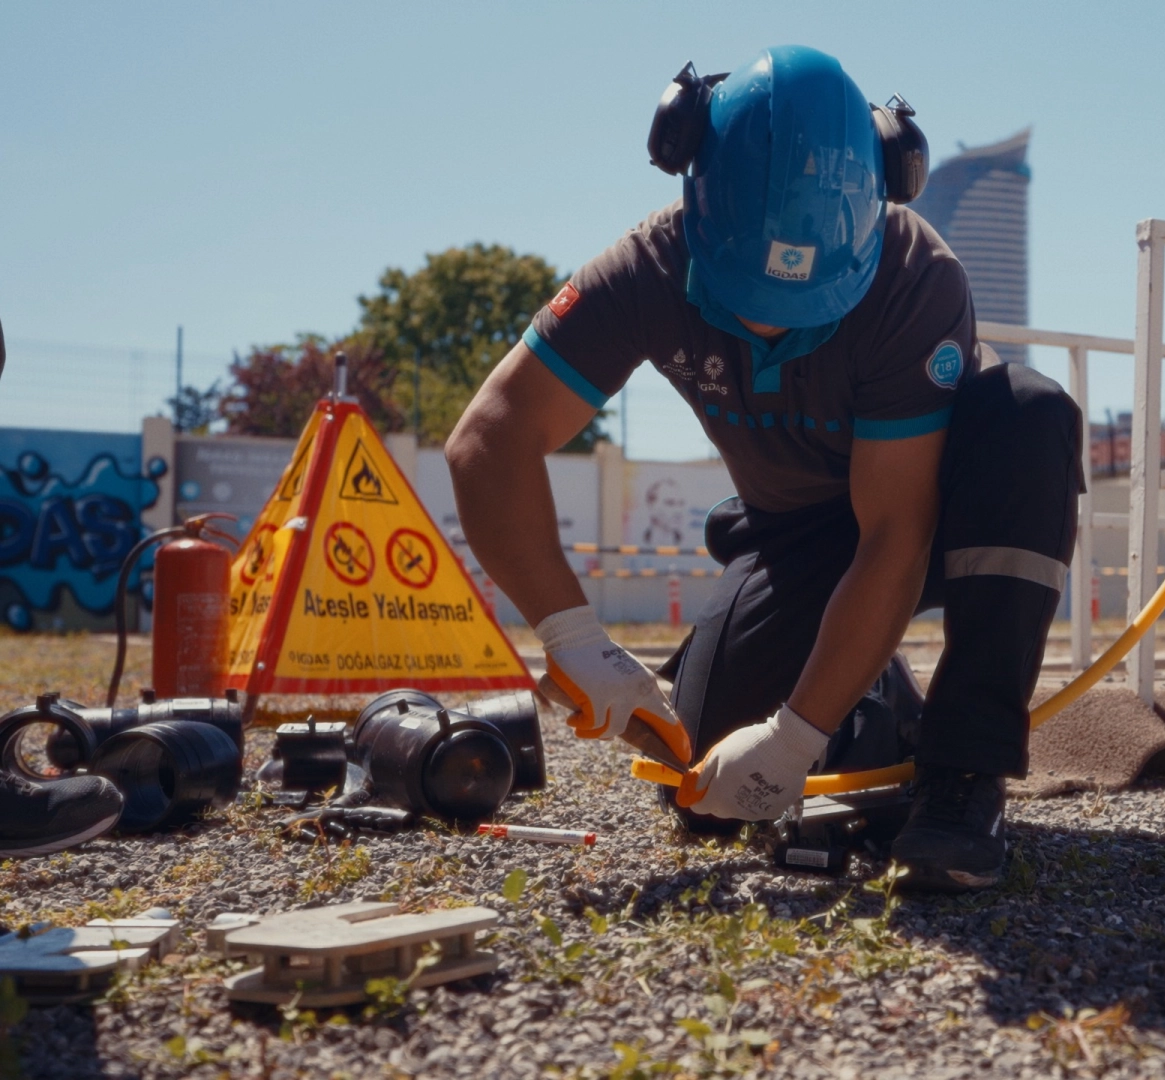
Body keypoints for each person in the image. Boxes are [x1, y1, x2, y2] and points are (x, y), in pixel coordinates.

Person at [448, 46, 1081, 891]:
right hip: (797, 531)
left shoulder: (914, 278)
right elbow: (489, 439)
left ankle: (964, 771)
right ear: (693, 197)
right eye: (749, 297)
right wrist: (574, 640)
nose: (772, 328)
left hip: (937, 506)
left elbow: (895, 532)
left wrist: (795, 737)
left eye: (805, 305)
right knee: (705, 790)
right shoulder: (648, 268)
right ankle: (876, 704)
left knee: (1028, 412)